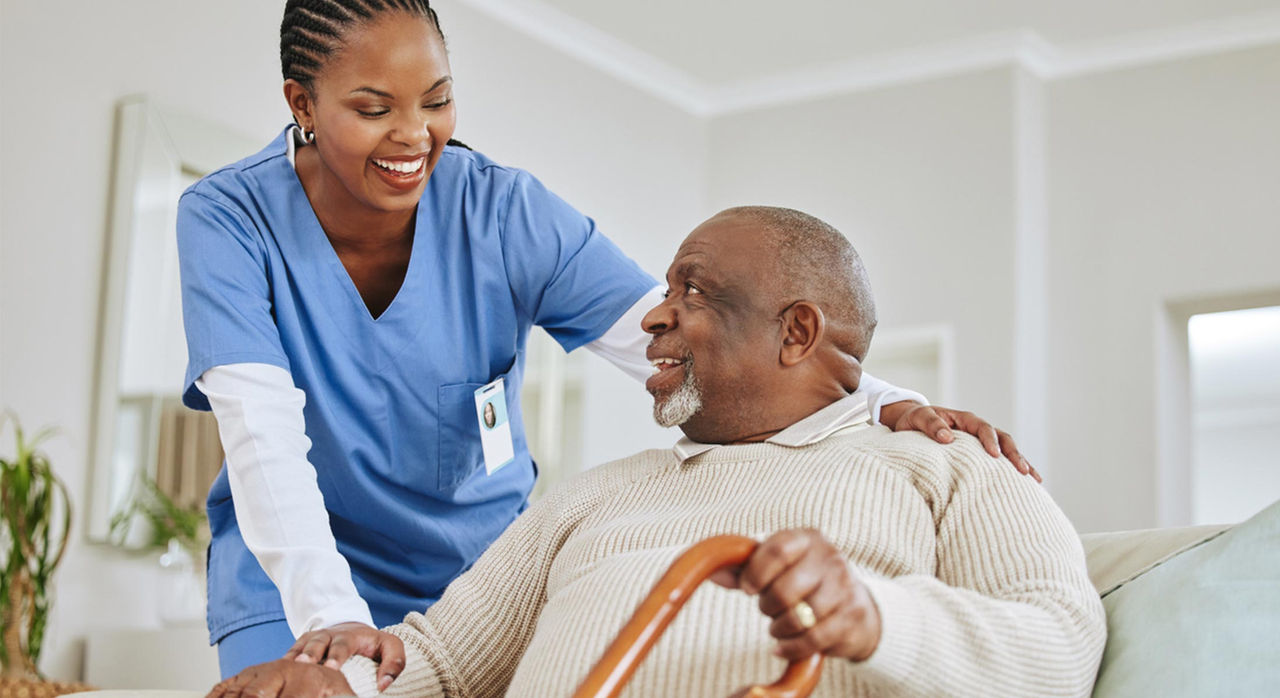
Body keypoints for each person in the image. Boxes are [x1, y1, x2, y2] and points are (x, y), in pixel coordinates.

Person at [179, 0, 1038, 680]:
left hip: (475, 585)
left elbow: (677, 341)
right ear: (302, 103)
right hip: (297, 575)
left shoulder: (502, 212)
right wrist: (333, 621)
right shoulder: (228, 220)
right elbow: (262, 439)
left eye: (437, 102)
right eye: (374, 109)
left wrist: (895, 405)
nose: (415, 137)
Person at [209, 207, 1105, 698]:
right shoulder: (590, 498)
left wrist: (877, 618)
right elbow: (440, 667)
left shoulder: (949, 465)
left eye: (693, 291)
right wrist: (341, 694)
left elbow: (1062, 650)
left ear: (797, 332)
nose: (651, 314)